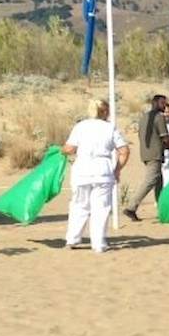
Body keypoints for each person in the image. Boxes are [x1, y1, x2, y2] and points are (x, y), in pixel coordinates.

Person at [62, 98, 130, 253]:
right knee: (101, 208)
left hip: (82, 169)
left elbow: (70, 148)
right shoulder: (110, 128)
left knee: (79, 205)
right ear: (105, 112)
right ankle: (98, 243)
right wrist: (117, 169)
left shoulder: (81, 126)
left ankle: (72, 239)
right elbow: (124, 151)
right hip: (103, 170)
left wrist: (61, 150)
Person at [124, 93, 169, 222]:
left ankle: (163, 208)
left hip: (146, 152)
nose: (164, 106)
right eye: (163, 103)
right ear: (155, 103)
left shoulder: (144, 117)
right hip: (154, 153)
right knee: (150, 181)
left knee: (158, 182)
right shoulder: (159, 117)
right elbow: (164, 136)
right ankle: (131, 207)